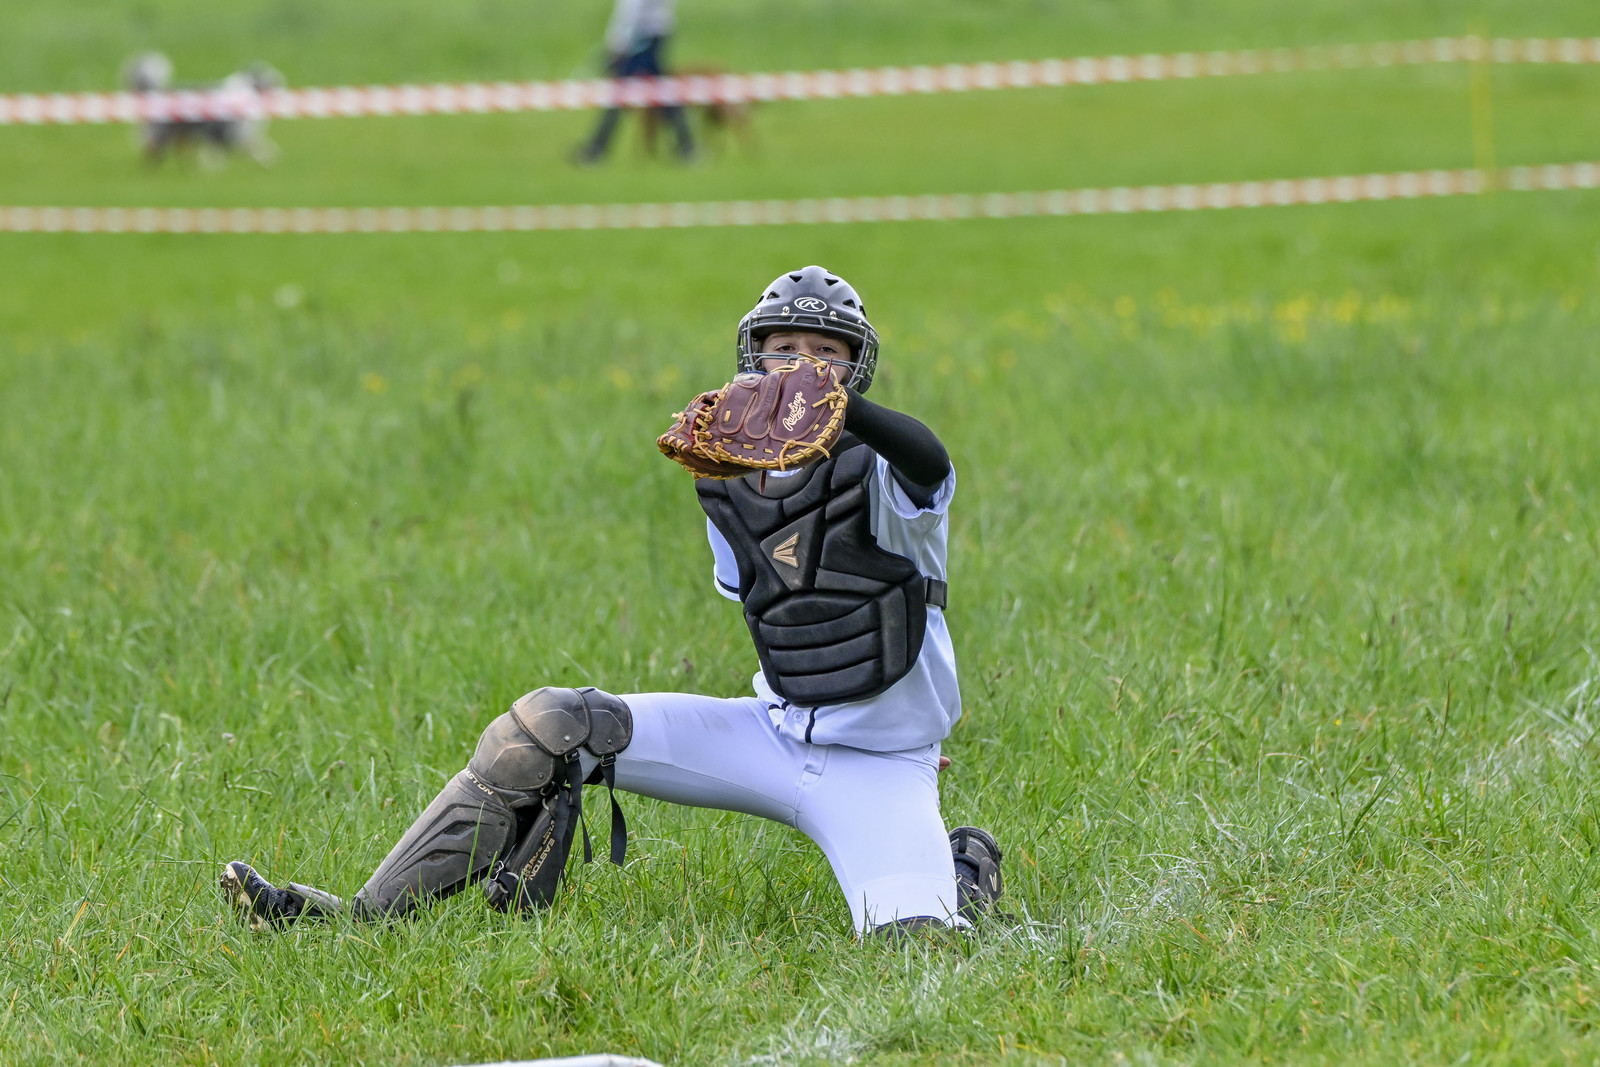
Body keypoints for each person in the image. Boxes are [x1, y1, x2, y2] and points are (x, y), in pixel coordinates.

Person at [221, 266, 1006, 938]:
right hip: (772, 734)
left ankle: (962, 869)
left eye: (827, 354)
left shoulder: (890, 473)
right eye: (784, 352)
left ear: (857, 368)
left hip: (882, 766)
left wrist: (837, 409)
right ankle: (360, 916)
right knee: (546, 726)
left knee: (915, 947)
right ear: (749, 361)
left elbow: (930, 458)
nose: (804, 366)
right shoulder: (724, 477)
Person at [574, 0, 694, 164]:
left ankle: (596, 150)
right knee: (662, 93)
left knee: (620, 95)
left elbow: (631, 11)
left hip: (640, 39)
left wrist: (617, 44)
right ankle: (687, 147)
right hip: (654, 36)